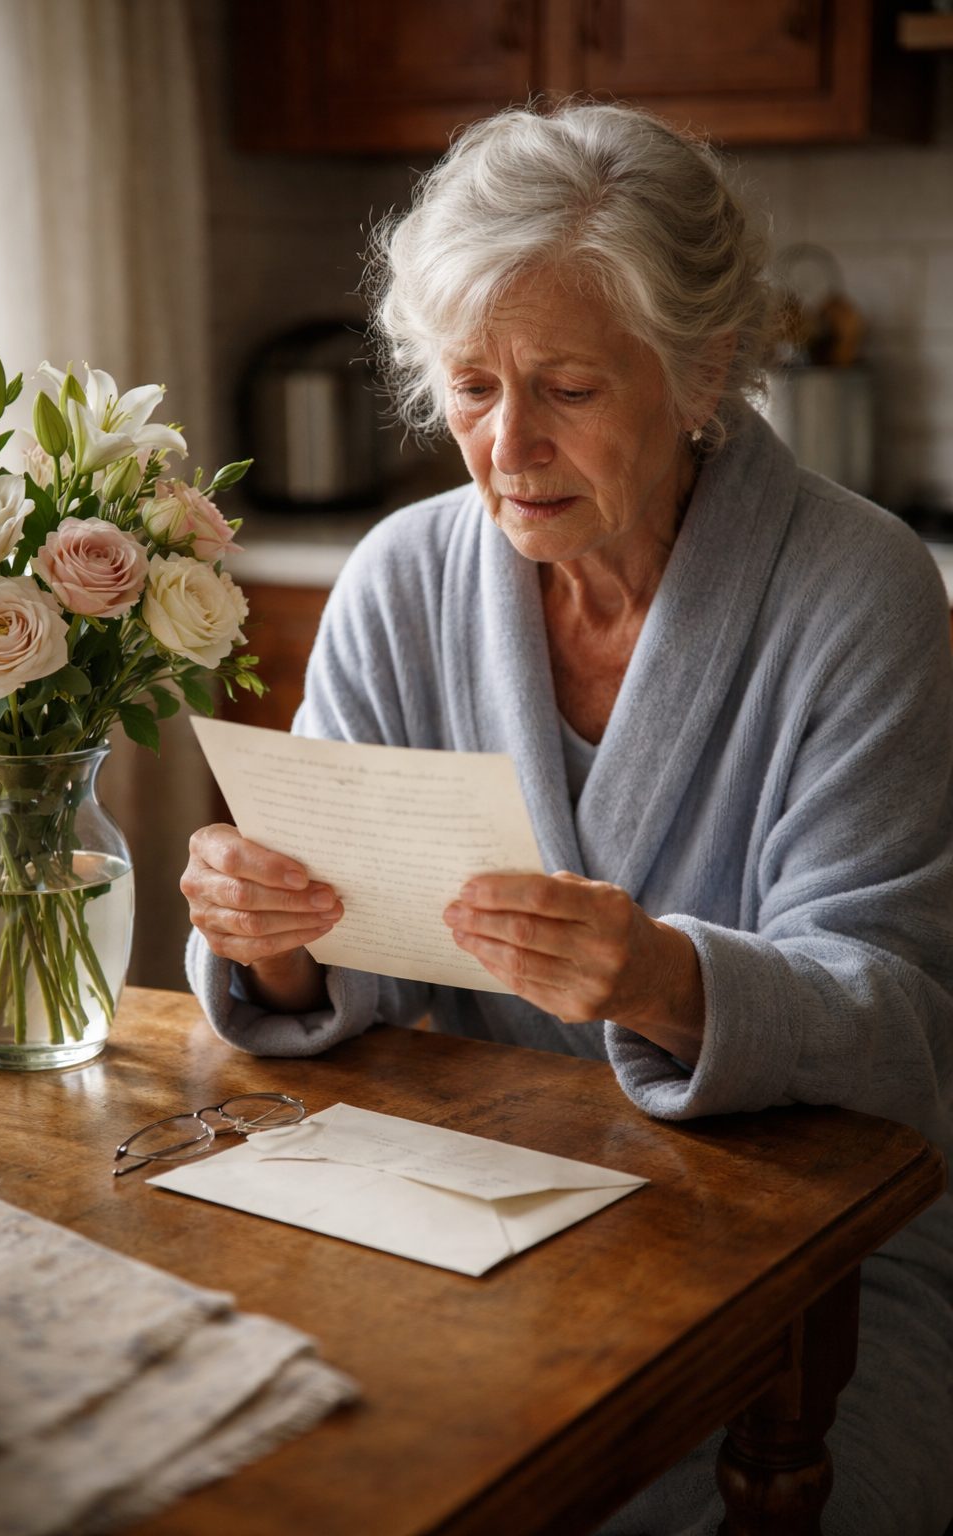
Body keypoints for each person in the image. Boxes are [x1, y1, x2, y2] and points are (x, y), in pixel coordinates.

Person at [181, 102, 953, 1536]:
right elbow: (345, 963)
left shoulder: (861, 592)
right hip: (459, 1196)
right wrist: (272, 933)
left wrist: (670, 980)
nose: (508, 447)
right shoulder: (401, 580)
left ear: (705, 365)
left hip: (803, 1250)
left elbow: (906, 1024)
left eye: (570, 389)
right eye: (470, 388)